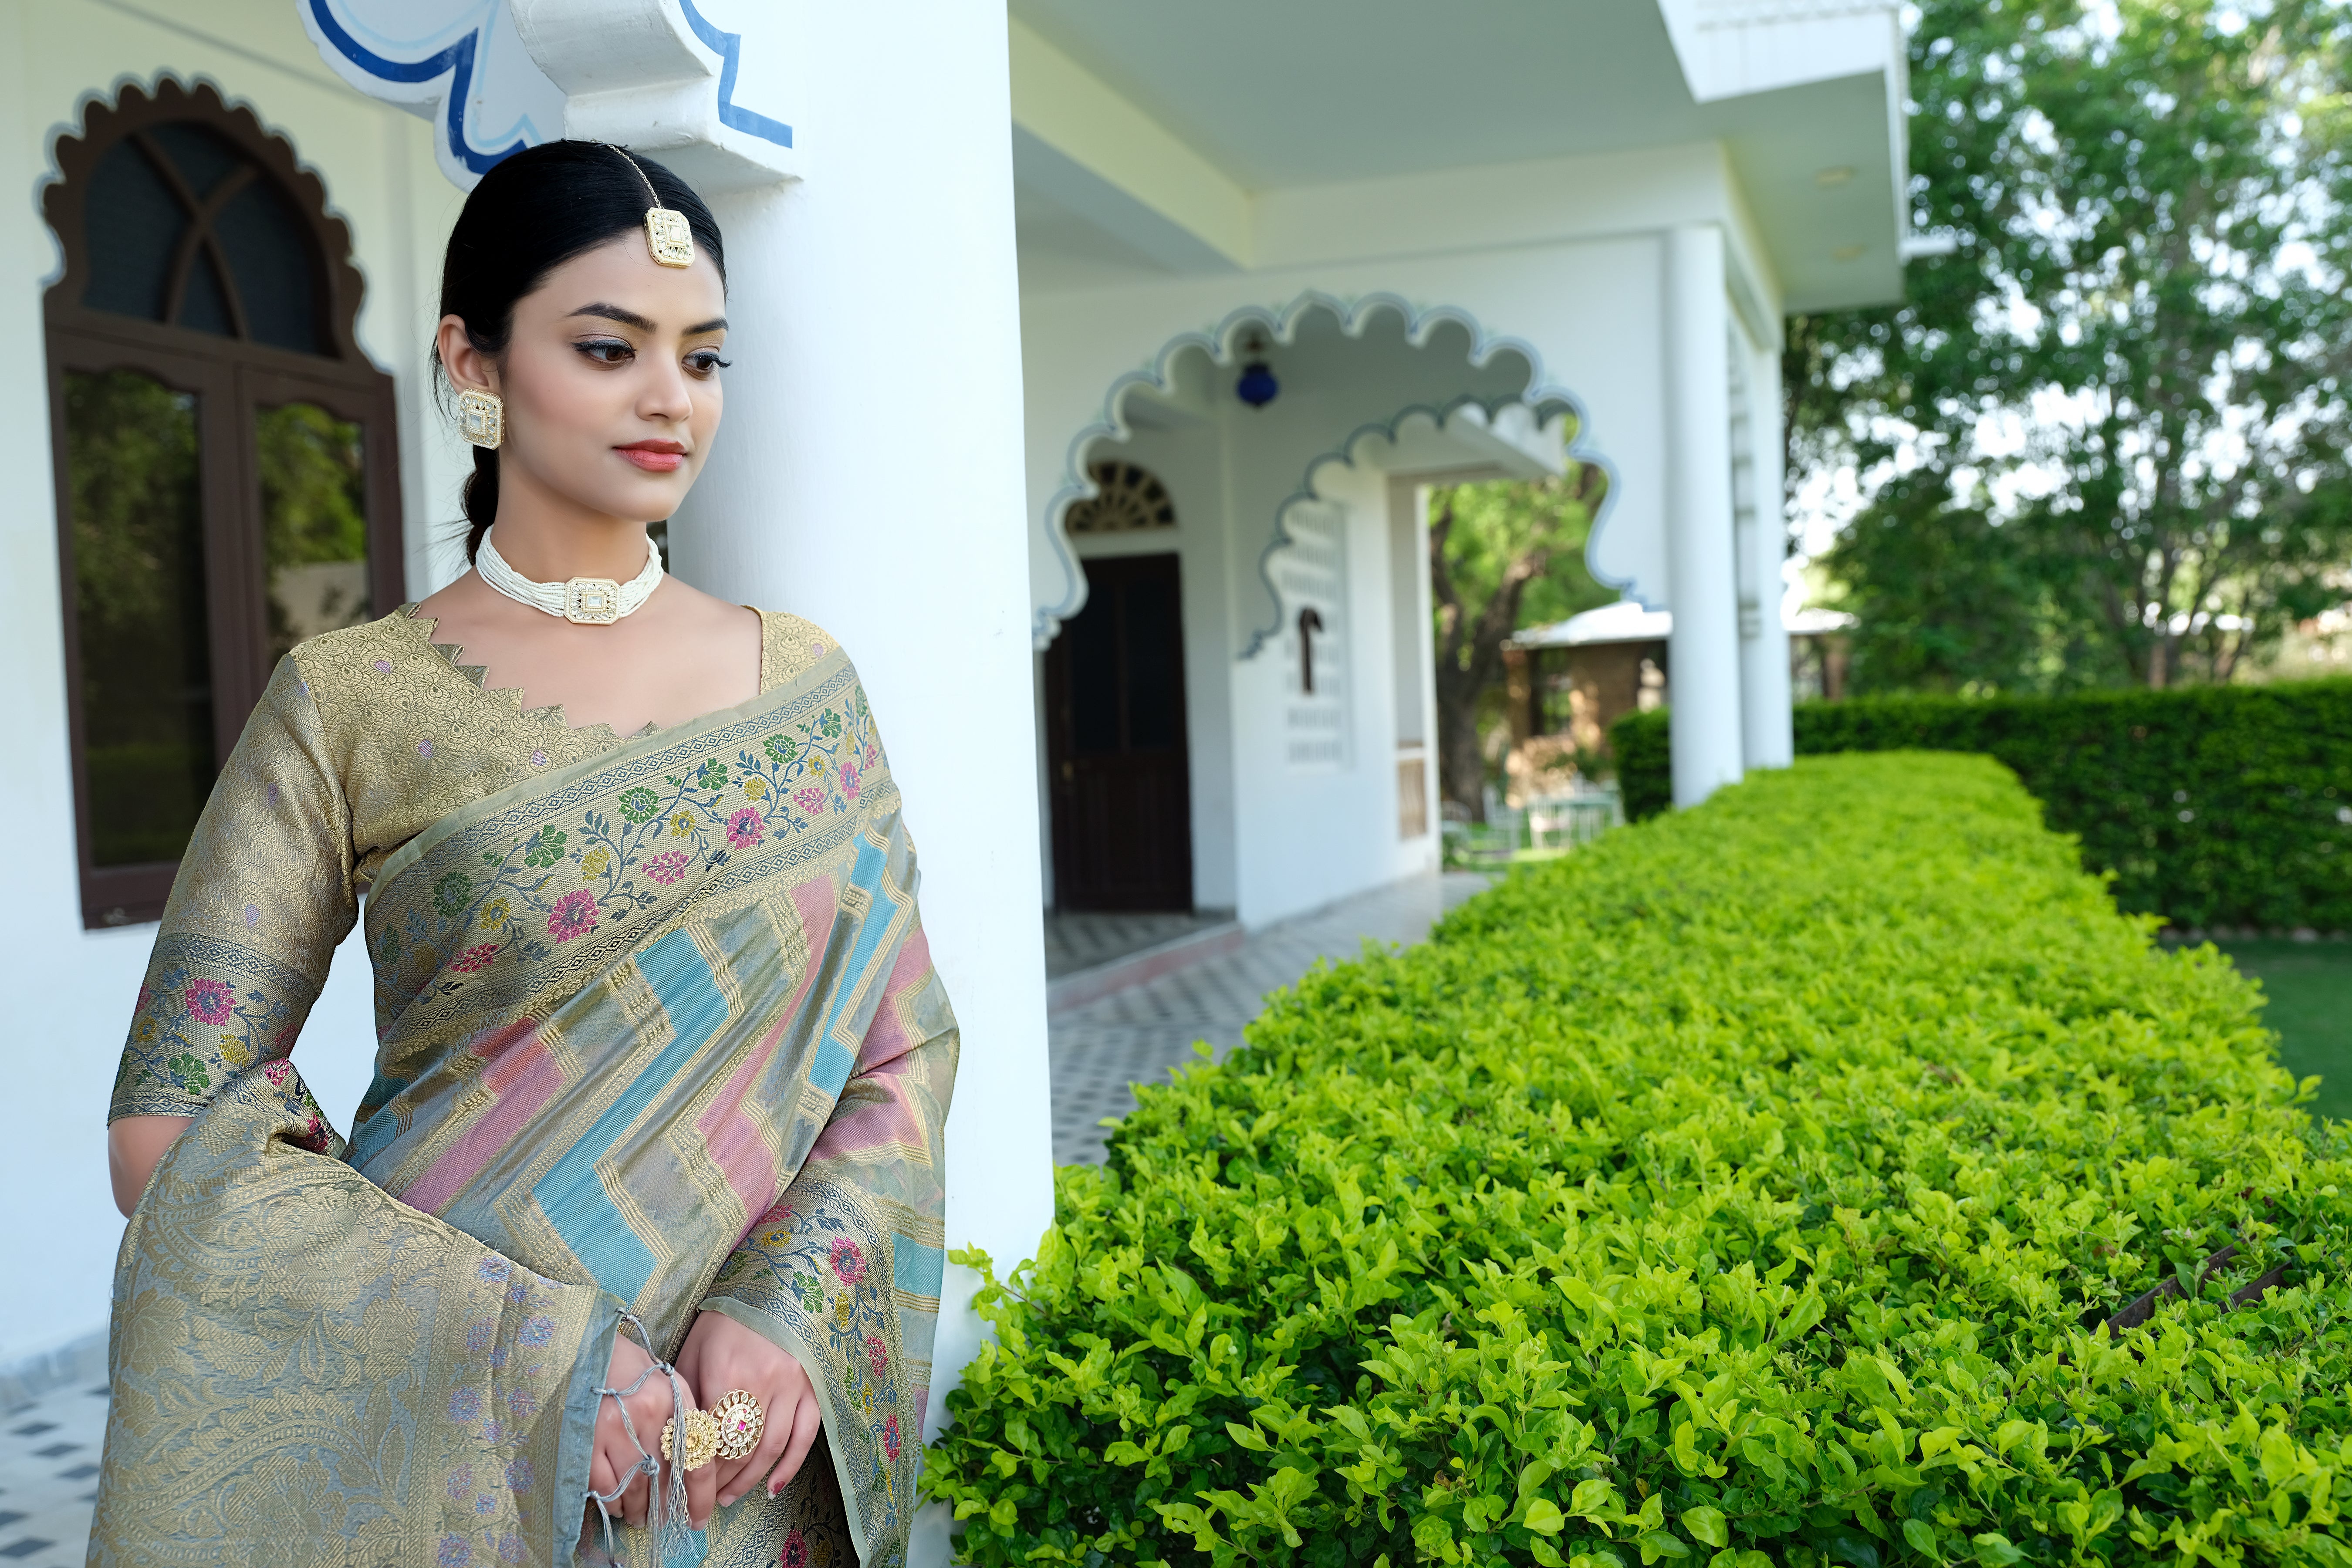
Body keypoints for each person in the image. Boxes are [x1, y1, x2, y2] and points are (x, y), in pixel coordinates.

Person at [90, 140, 956, 1568]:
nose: (671, 397)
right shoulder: (353, 697)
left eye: (705, 357)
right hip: (462, 1440)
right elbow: (169, 1123)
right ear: (472, 363)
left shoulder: (808, 684)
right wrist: (527, 1351)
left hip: (733, 1452)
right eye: (610, 347)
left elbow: (899, 1047)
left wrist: (797, 1299)